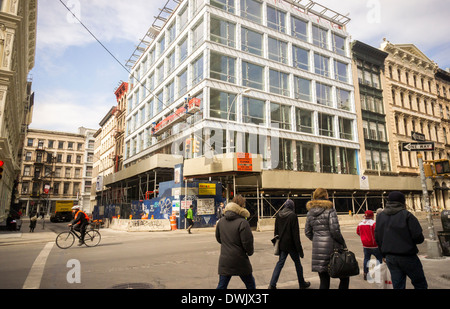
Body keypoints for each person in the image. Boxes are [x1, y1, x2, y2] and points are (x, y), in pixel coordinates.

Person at [375, 191, 428, 289]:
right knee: (419, 283)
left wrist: (383, 255)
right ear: (402, 202)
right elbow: (418, 238)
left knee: (398, 285)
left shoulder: (380, 216)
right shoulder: (407, 215)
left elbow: (378, 238)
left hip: (390, 257)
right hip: (408, 256)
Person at [305, 188, 349, 289]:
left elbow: (307, 232)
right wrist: (342, 243)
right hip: (333, 249)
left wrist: (317, 239)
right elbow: (335, 231)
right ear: (325, 196)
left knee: (324, 281)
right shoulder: (330, 209)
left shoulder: (310, 212)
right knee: (344, 277)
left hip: (318, 251)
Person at [269, 199, 310, 289]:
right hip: (292, 246)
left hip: (282, 245)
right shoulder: (293, 216)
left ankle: (272, 284)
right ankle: (301, 283)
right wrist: (300, 250)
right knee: (298, 264)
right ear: (292, 207)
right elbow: (296, 235)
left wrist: (277, 245)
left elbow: (276, 232)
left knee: (280, 264)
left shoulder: (278, 215)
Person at [215, 195, 255, 289]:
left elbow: (218, 238)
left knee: (222, 285)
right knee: (250, 284)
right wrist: (249, 252)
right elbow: (247, 242)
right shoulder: (242, 222)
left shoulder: (221, 221)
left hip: (225, 260)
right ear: (241, 207)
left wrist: (227, 244)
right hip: (240, 260)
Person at [356, 210, 383, 280]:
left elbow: (358, 232)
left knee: (366, 259)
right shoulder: (374, 223)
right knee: (379, 259)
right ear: (372, 216)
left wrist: (363, 237)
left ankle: (366, 273)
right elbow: (378, 233)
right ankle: (378, 274)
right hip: (374, 245)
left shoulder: (361, 223)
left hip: (365, 245)